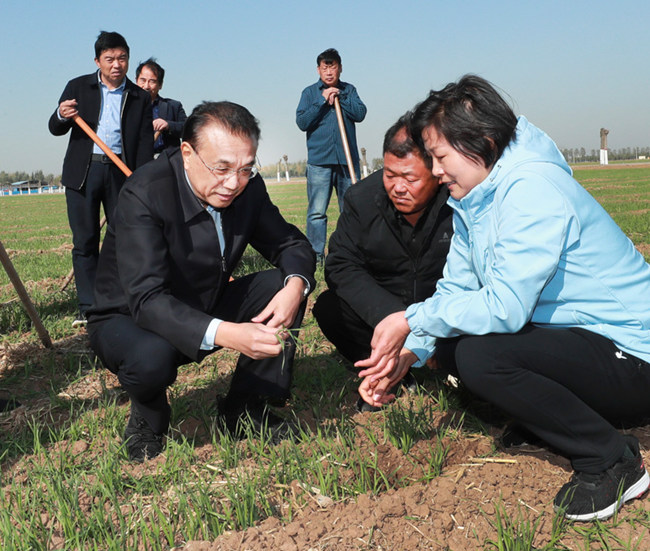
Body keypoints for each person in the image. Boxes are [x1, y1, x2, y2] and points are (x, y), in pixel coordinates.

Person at [356, 75, 650, 521]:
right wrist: (412, 351)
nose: (436, 172)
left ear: (481, 141)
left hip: (634, 353)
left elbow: (504, 307)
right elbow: (457, 290)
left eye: (439, 157)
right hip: (587, 341)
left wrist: (410, 318)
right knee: (457, 345)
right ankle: (543, 420)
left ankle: (611, 459)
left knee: (481, 357)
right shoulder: (476, 198)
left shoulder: (531, 188)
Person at [87, 101, 316, 462]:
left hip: (205, 299)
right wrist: (228, 333)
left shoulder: (247, 189)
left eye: (245, 169)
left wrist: (295, 287)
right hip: (129, 317)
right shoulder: (144, 194)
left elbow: (290, 243)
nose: (232, 183)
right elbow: (147, 298)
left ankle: (245, 408)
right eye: (222, 168)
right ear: (187, 152)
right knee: (152, 358)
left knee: (282, 285)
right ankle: (149, 417)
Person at [312, 113, 453, 411]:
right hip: (383, 312)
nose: (398, 187)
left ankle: (448, 363)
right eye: (390, 174)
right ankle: (387, 371)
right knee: (329, 308)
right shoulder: (361, 199)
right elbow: (340, 264)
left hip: (443, 311)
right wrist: (392, 316)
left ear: (437, 172)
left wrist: (419, 323)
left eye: (410, 178)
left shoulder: (458, 199)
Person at [48, 31, 154, 325]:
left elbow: (145, 143)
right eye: (110, 59)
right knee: (85, 241)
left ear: (128, 60)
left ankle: (119, 301)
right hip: (84, 172)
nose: (116, 64)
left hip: (122, 173)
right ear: (98, 61)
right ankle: (88, 306)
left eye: (122, 58)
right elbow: (55, 127)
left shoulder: (139, 97)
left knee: (124, 240)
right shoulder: (78, 87)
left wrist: (142, 179)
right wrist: (61, 113)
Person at [296, 48, 367, 262]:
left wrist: (340, 96)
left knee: (351, 210)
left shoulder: (349, 90)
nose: (329, 71)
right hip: (319, 163)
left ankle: (350, 253)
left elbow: (360, 113)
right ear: (318, 70)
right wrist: (321, 100)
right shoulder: (309, 93)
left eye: (333, 66)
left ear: (340, 68)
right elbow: (302, 122)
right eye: (325, 67)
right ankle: (316, 256)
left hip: (347, 161)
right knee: (317, 213)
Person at [135, 58, 187, 156]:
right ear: (136, 81)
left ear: (160, 85)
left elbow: (189, 129)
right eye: (142, 80)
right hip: (138, 160)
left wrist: (168, 125)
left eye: (152, 81)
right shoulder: (127, 107)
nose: (146, 86)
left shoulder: (174, 106)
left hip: (167, 160)